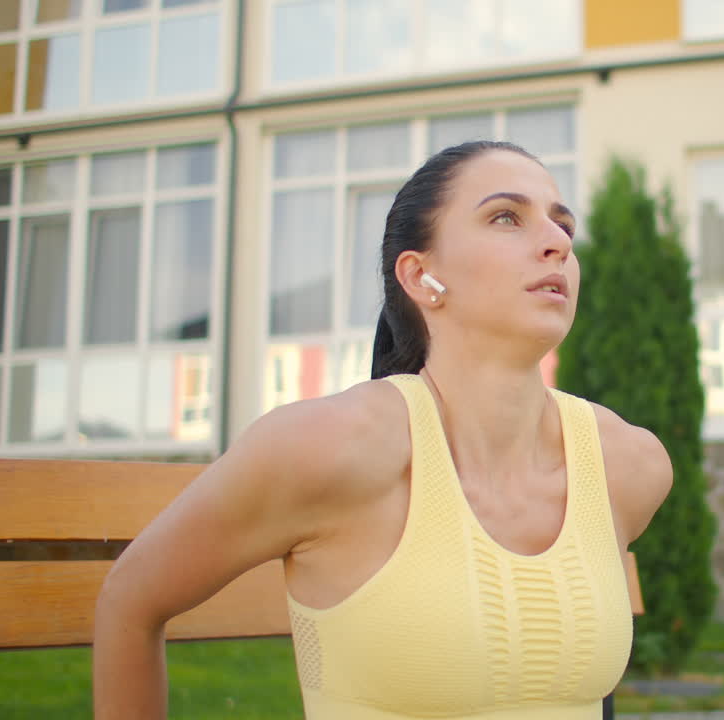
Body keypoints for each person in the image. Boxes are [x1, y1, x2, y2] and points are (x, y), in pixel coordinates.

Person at [93, 140, 674, 719]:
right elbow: (130, 601)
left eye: (562, 223)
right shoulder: (330, 449)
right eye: (506, 217)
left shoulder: (628, 465)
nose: (558, 242)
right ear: (421, 277)